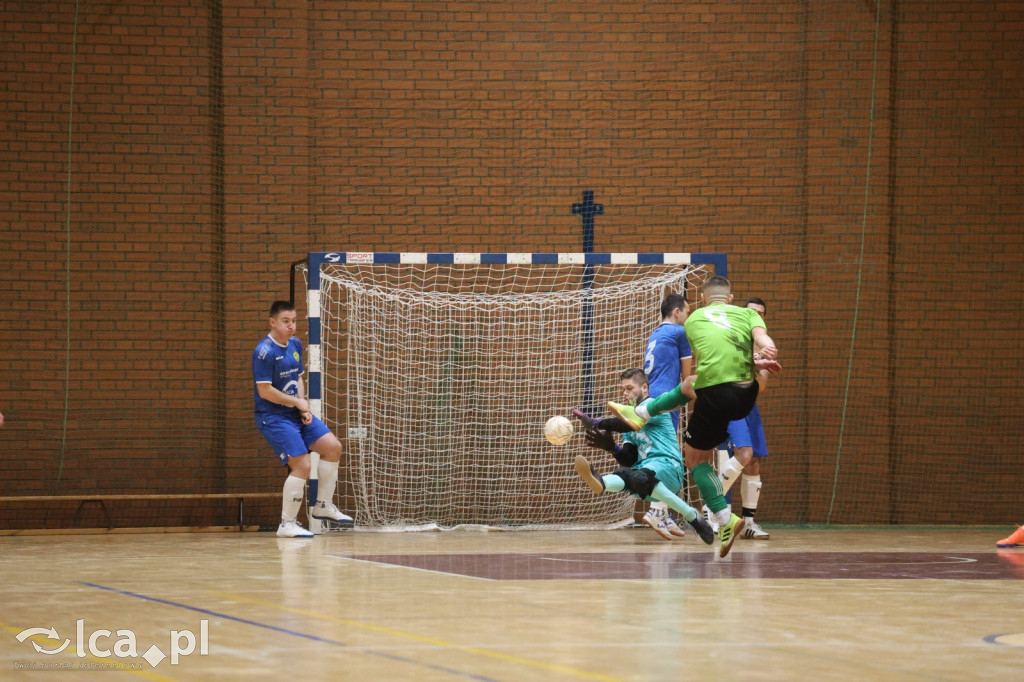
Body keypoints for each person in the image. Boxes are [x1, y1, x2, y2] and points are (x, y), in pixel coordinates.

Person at [608, 276, 780, 558]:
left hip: (717, 394)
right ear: (731, 298)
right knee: (692, 388)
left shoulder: (695, 320)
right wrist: (764, 353)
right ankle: (642, 413)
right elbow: (762, 340)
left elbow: (704, 356)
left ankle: (723, 519)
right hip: (747, 394)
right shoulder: (749, 313)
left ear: (701, 300)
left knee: (694, 458)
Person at [572, 369, 715, 547]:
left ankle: (692, 516)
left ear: (645, 388)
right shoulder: (628, 425)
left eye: (630, 388)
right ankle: (601, 483)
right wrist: (612, 448)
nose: (625, 393)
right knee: (626, 472)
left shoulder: (652, 407)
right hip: (648, 480)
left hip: (669, 467)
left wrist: (597, 422)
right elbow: (629, 459)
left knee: (638, 475)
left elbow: (623, 424)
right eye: (623, 389)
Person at [253, 300, 353, 538]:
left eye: (294, 321)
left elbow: (298, 378)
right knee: (303, 465)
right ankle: (287, 523)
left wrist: (303, 406)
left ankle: (323, 505)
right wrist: (296, 403)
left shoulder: (295, 344)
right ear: (273, 322)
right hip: (273, 417)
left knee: (333, 447)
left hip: (294, 413)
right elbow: (264, 391)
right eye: (286, 321)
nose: (291, 326)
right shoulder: (263, 352)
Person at [707, 297, 772, 540]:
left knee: (754, 460)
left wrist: (760, 370)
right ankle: (711, 510)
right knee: (736, 456)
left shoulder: (763, 347)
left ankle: (748, 523)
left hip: (749, 406)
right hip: (727, 403)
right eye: (752, 311)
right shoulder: (730, 337)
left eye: (760, 313)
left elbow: (762, 386)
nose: (756, 315)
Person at [640, 293, 693, 540]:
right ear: (677, 312)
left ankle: (659, 512)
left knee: (663, 457)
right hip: (666, 400)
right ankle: (656, 512)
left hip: (650, 399)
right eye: (688, 312)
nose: (688, 316)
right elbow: (687, 377)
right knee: (671, 459)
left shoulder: (655, 334)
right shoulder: (679, 333)